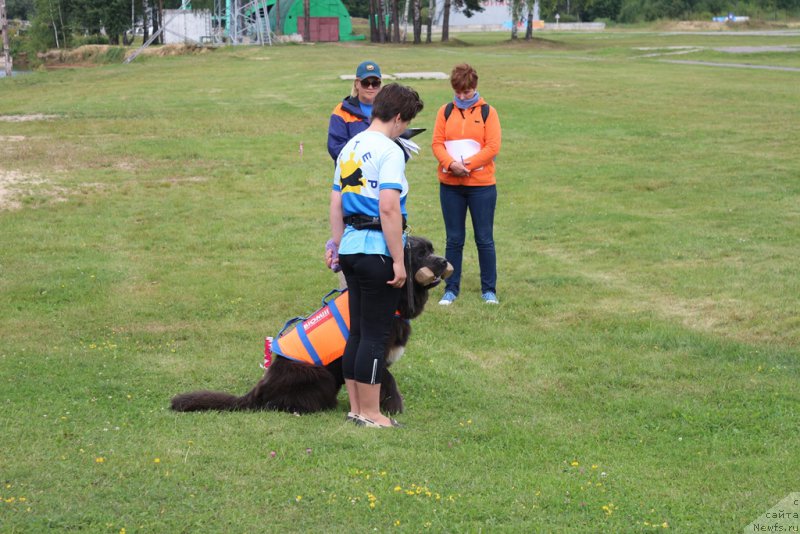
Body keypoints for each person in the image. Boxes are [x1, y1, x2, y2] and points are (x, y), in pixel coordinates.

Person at [327, 83, 424, 428]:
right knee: (375, 335)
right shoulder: (390, 150)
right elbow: (388, 208)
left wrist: (337, 249)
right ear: (398, 118)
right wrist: (398, 260)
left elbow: (336, 203)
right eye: (407, 121)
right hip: (375, 251)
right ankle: (371, 413)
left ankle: (356, 408)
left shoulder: (349, 147)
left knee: (356, 333)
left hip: (351, 249)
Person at [431, 63, 502, 305]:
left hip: (482, 187)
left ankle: (489, 289)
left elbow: (492, 147)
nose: (462, 97)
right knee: (454, 239)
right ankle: (450, 288)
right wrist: (451, 165)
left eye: (467, 92)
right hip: (451, 185)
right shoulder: (445, 111)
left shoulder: (488, 112)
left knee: (484, 238)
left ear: (475, 88)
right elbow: (437, 143)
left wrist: (467, 165)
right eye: (458, 92)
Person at [327, 60, 383, 162]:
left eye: (375, 83)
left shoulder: (388, 110)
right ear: (357, 84)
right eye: (366, 83)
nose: (370, 87)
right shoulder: (341, 111)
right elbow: (335, 148)